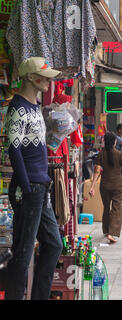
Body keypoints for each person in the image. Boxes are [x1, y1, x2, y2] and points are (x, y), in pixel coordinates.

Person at [5, 57, 63, 300]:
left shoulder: (33, 106)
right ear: (30, 76)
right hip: (29, 188)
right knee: (23, 251)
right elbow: (13, 148)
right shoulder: (18, 107)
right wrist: (26, 187)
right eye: (45, 76)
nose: (49, 81)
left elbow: (31, 144)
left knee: (53, 245)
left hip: (40, 186)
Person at [89, 132, 122, 244]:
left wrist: (92, 186)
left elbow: (96, 171)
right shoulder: (119, 154)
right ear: (114, 142)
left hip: (104, 185)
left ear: (105, 142)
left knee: (106, 207)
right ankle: (112, 232)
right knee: (116, 208)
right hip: (117, 186)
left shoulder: (101, 154)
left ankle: (106, 231)